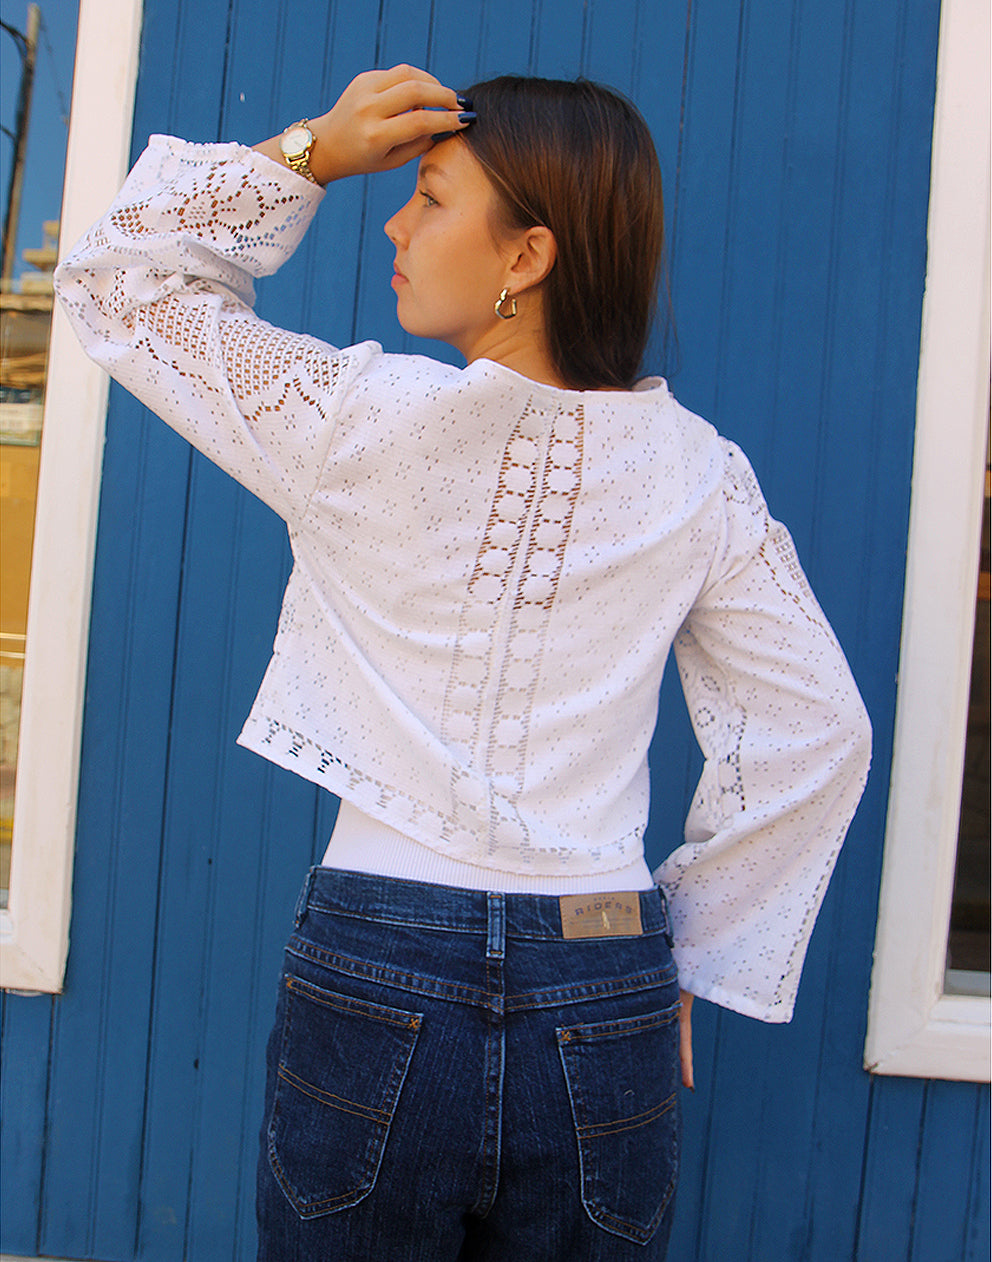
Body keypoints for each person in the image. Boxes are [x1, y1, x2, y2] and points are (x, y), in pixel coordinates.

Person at [55, 64, 871, 1261]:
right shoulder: (699, 472)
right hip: (606, 970)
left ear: (525, 257)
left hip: (376, 958)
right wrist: (687, 951)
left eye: (428, 198)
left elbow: (120, 285)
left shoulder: (349, 417)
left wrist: (310, 153)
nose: (394, 219)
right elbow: (817, 728)